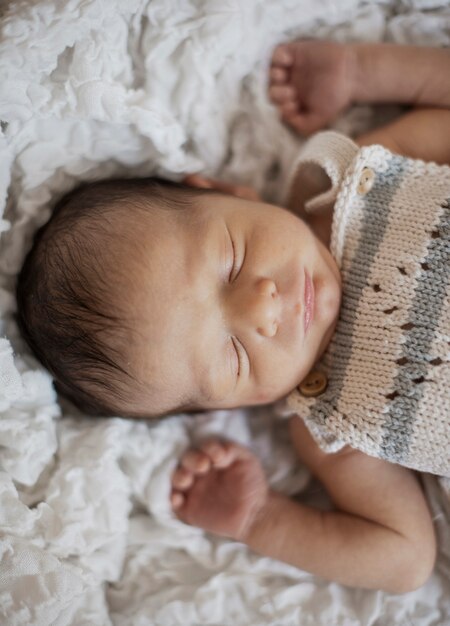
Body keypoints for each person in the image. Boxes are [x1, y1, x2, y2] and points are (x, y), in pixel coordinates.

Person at [16, 42, 450, 591]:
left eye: (232, 261)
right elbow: (405, 559)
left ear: (224, 193)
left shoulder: (355, 184)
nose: (263, 308)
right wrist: (258, 519)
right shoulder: (332, 426)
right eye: (236, 356)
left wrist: (365, 72)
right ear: (246, 402)